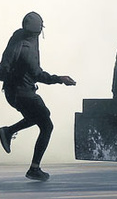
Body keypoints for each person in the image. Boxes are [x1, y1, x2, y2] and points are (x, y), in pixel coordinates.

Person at [0, 12, 76, 181]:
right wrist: (59, 79)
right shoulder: (24, 46)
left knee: (40, 118)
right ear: (37, 31)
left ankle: (8, 131)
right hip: (21, 94)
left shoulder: (20, 35)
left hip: (20, 92)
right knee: (47, 125)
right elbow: (36, 74)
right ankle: (34, 168)